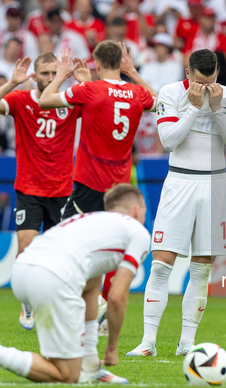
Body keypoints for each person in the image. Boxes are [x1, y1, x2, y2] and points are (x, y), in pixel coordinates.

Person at [0, 184, 150, 384]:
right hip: (52, 279)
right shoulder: (138, 232)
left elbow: (94, 279)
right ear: (135, 210)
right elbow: (117, 297)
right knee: (67, 374)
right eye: (144, 212)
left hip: (21, 271)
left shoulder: (89, 218)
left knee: (92, 280)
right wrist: (112, 349)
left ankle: (90, 366)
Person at [126, 49, 226, 357]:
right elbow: (168, 140)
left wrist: (217, 109)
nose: (205, 88)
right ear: (188, 73)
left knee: (202, 268)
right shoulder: (170, 92)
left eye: (211, 81)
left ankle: (187, 343)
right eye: (199, 82)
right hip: (179, 182)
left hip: (214, 185)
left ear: (218, 74)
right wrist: (192, 109)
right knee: (162, 264)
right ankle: (148, 342)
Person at [39, 41, 157, 304]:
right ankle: (101, 301)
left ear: (98, 64)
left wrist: (61, 74)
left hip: (90, 182)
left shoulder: (89, 90)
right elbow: (161, 105)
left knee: (65, 236)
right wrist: (134, 73)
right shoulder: (137, 93)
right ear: (122, 64)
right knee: (111, 243)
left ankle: (69, 297)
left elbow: (45, 100)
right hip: (120, 185)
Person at [0, 52, 89, 330]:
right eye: (45, 74)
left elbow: (97, 108)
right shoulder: (21, 100)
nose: (50, 78)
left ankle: (54, 302)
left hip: (62, 190)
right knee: (26, 247)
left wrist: (86, 83)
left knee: (59, 255)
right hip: (28, 188)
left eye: (55, 73)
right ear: (35, 75)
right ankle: (27, 299)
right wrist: (12, 83)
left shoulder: (69, 100)